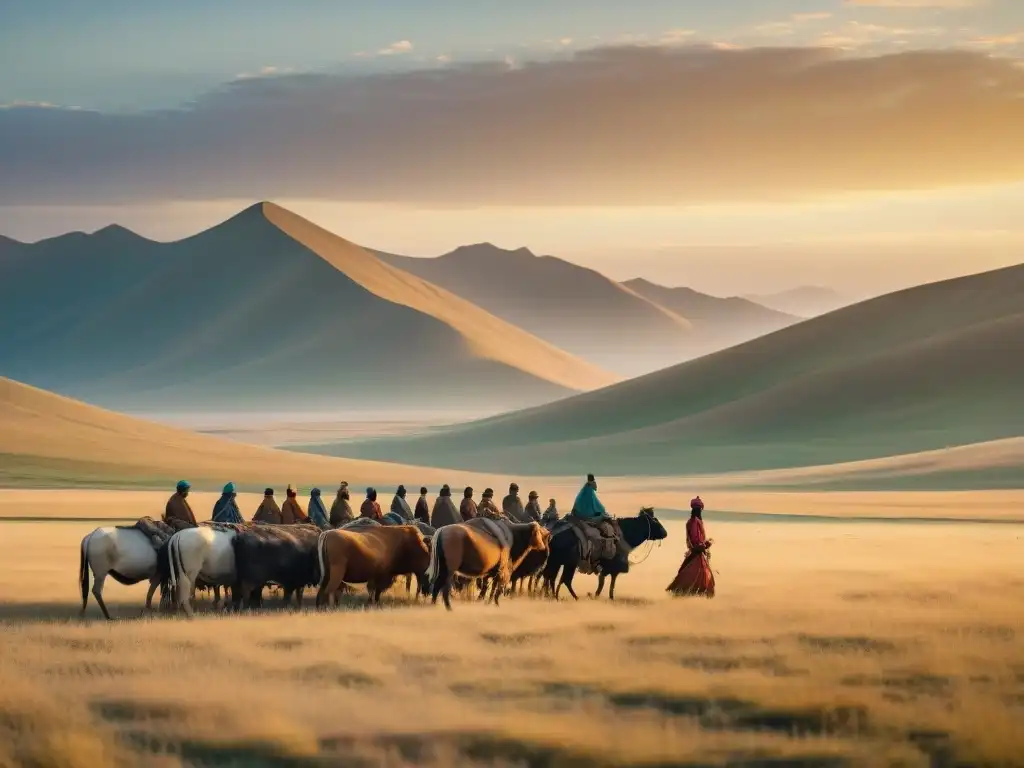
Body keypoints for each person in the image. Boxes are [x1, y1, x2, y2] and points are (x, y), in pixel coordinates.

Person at [666, 496, 715, 598]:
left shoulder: (693, 521)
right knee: (698, 577)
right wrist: (705, 545)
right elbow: (696, 540)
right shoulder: (694, 522)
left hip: (696, 552)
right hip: (696, 552)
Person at [568, 473, 620, 567]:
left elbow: (592, 504)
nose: (595, 485)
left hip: (581, 515)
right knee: (598, 533)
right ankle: (593, 560)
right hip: (586, 517)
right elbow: (594, 506)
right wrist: (601, 513)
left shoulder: (584, 491)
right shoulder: (588, 492)